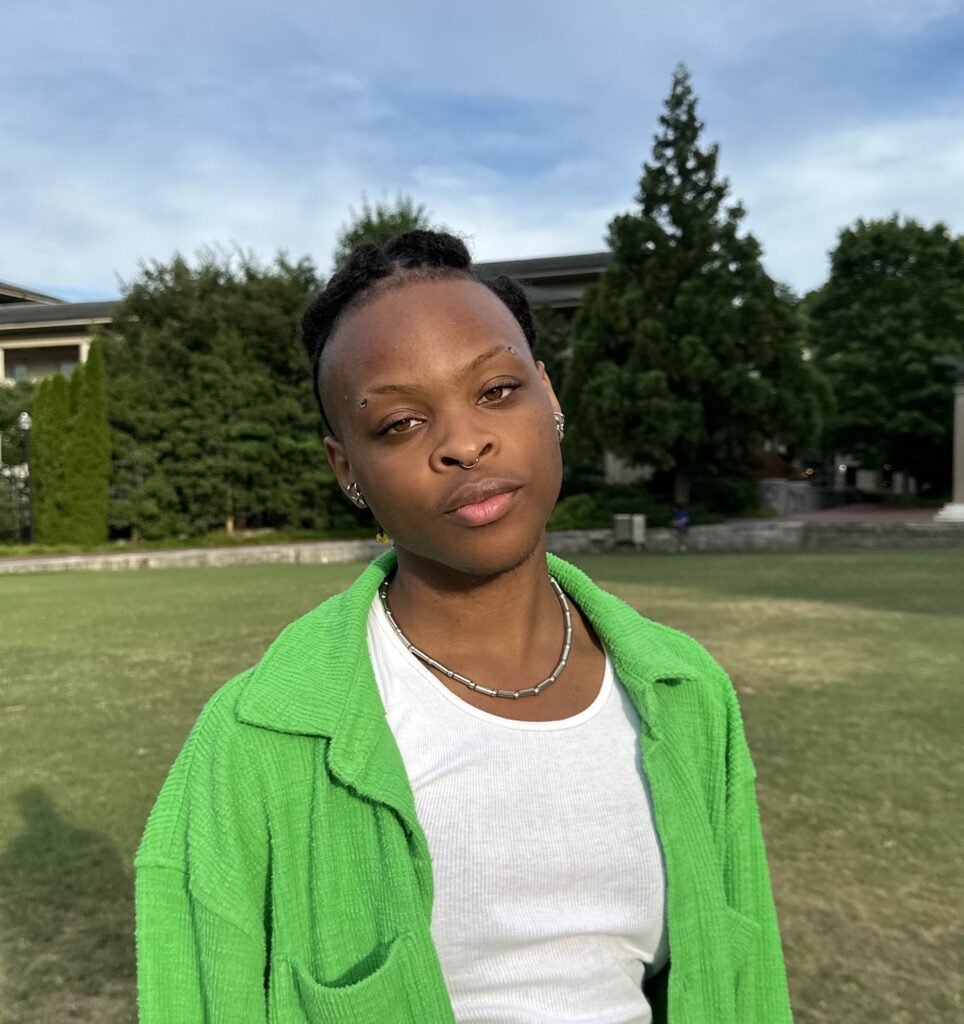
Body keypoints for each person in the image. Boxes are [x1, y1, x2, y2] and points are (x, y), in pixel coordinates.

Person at [135, 231, 793, 1023]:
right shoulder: (251, 746)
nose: (463, 442)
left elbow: (742, 982)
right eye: (401, 424)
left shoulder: (689, 693)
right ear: (347, 468)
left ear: (549, 396)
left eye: (496, 390)